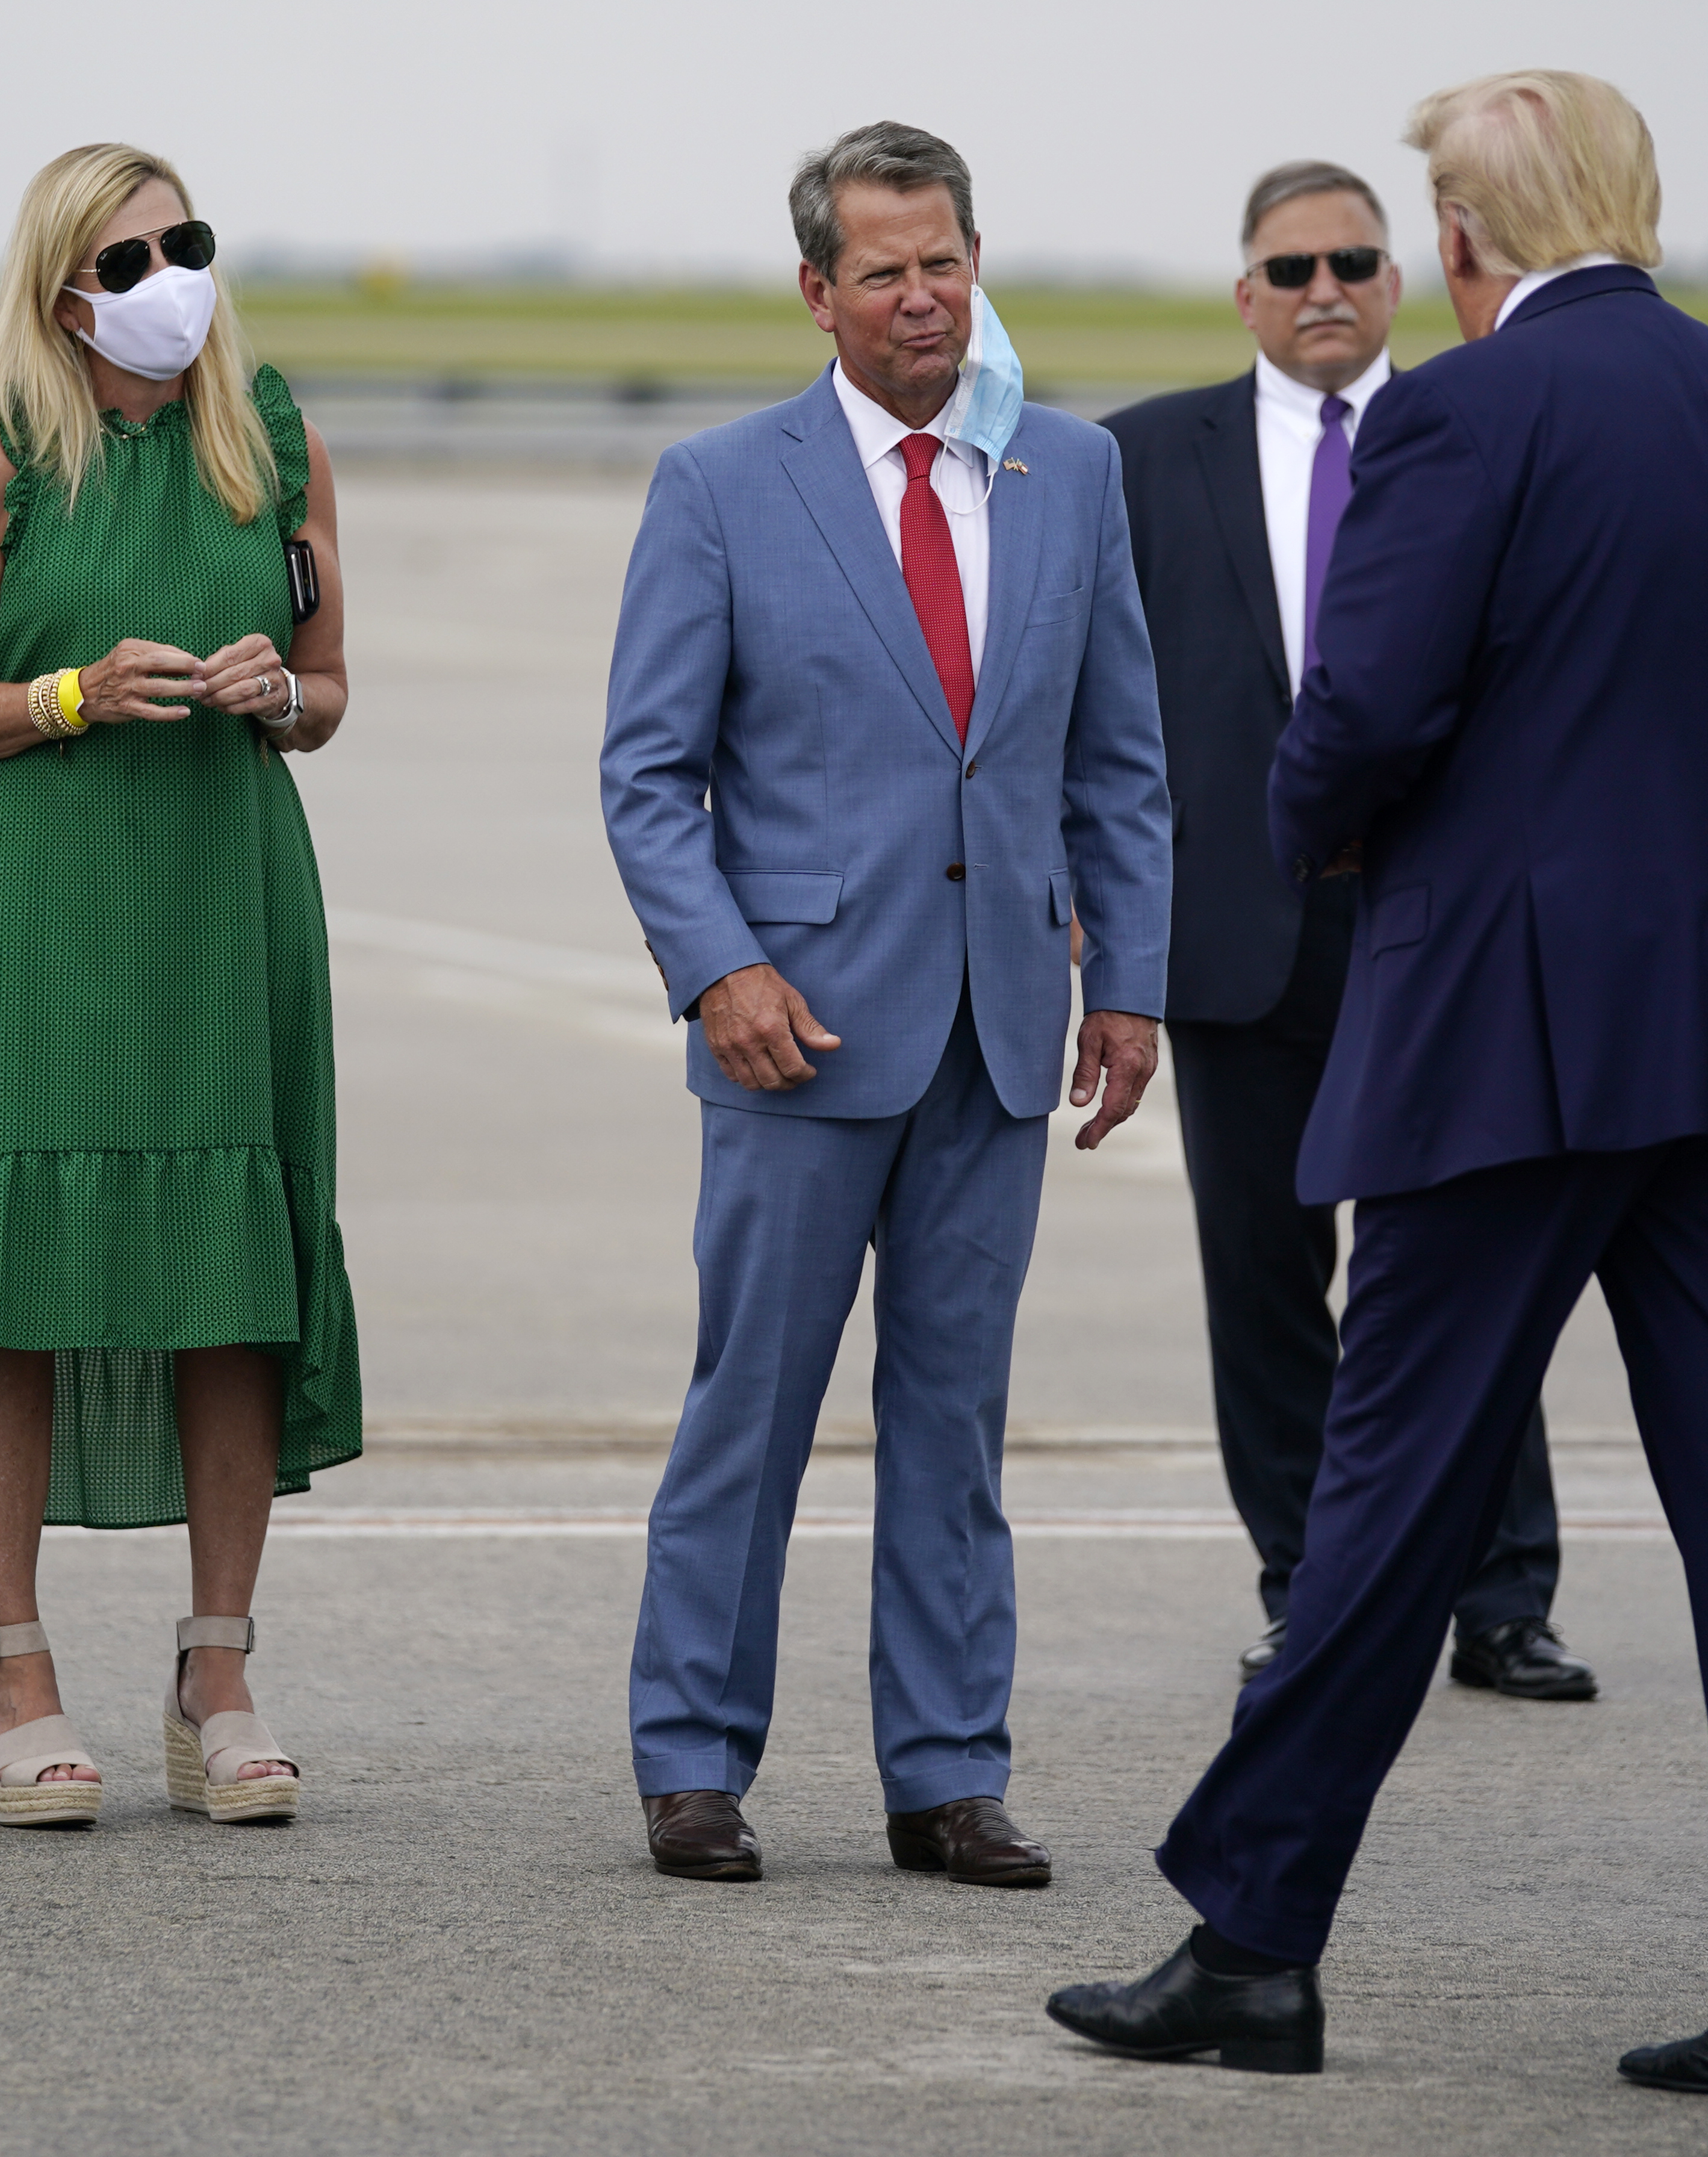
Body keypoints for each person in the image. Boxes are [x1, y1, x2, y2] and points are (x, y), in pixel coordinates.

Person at [1049, 72, 1708, 2109]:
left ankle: (1250, 1947)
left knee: (1384, 1496)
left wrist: (1336, 841)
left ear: (1460, 240)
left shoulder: (1459, 411)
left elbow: (1351, 710)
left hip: (1513, 1033)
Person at [602, 121, 1169, 1886]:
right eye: (880, 271)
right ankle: (689, 1763)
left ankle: (942, 1776)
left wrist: (1127, 980)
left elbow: (1116, 761)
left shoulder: (1065, 473)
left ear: (971, 260)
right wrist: (717, 972)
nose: (919, 296)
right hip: (796, 1032)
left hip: (1001, 1026)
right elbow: (644, 775)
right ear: (815, 292)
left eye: (942, 261)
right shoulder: (717, 484)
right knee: (747, 1413)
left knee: (953, 1421)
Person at [0, 141, 357, 1830]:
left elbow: (329, 684)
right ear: (64, 288)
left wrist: (274, 696)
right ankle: (13, 1665)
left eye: (189, 242)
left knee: (231, 1279)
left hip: (227, 894)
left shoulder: (270, 432)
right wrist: (69, 692)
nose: (171, 274)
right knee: (21, 1275)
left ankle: (216, 1665)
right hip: (48, 903)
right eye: (131, 254)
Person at [1102, 162, 1591, 1702]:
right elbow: (1096, 708)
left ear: (1401, 278)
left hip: (1448, 929)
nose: (1324, 288)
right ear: (1242, 291)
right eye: (1290, 265)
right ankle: (1308, 1586)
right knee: (1262, 1277)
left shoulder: (1487, 431)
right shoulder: (1136, 459)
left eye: (1354, 260)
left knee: (1465, 1258)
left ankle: (1501, 1594)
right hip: (1240, 932)